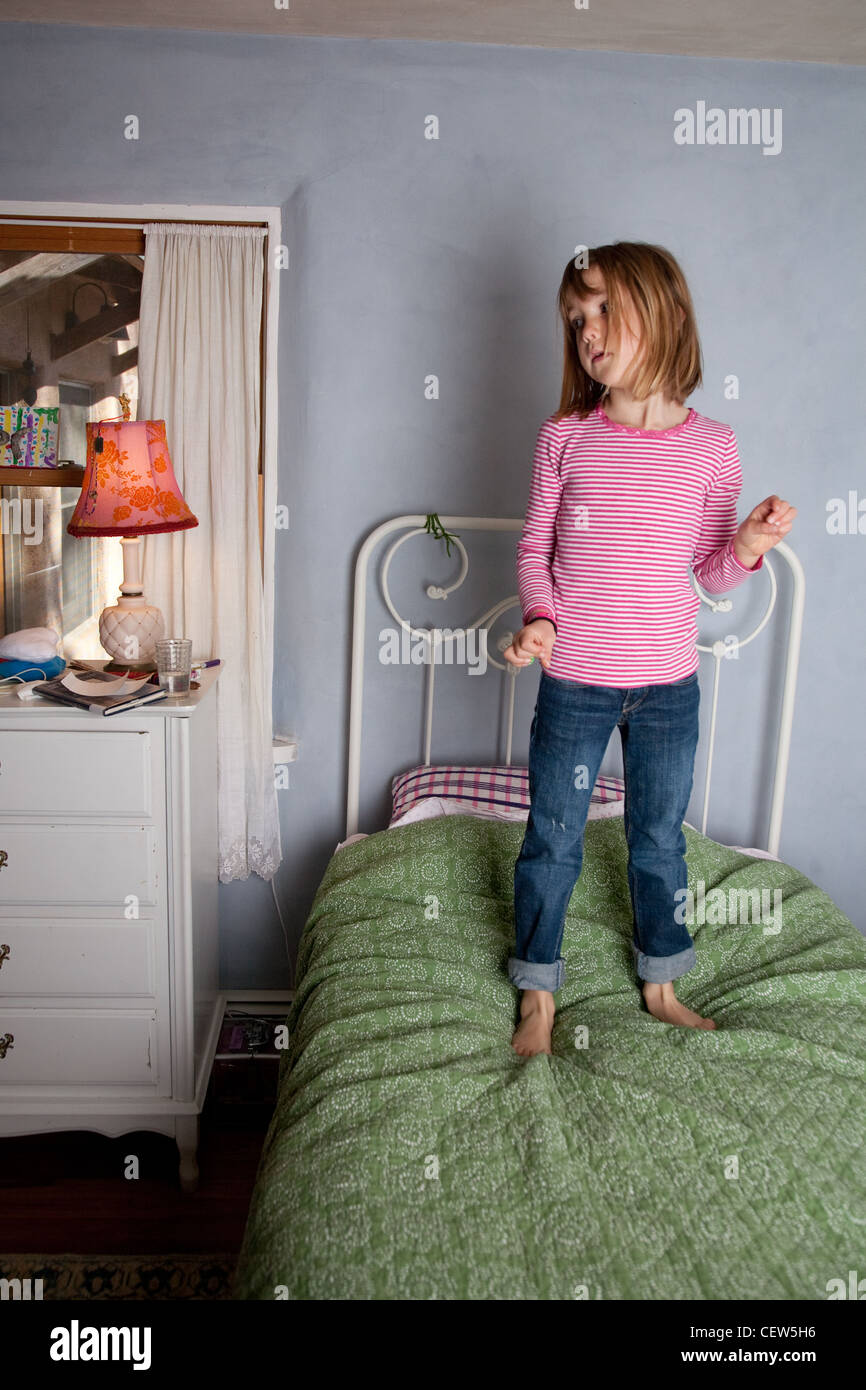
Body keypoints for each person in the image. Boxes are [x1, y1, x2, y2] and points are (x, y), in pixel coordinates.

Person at [504, 241, 796, 1056]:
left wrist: (746, 542)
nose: (586, 331)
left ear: (661, 310)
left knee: (659, 836)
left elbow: (708, 573)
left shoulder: (713, 448)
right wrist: (543, 619)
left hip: (668, 686)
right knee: (554, 835)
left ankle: (661, 980)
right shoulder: (565, 437)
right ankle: (537, 987)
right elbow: (536, 549)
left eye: (601, 309)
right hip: (575, 682)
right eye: (574, 319)